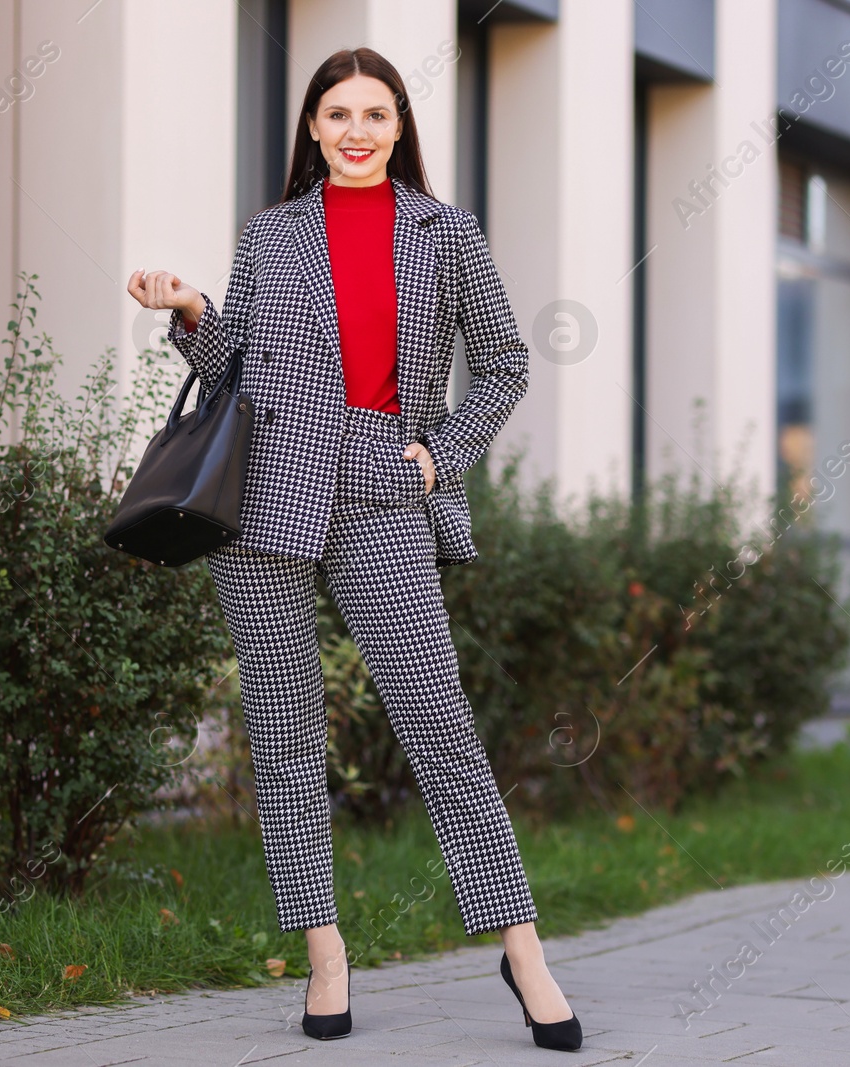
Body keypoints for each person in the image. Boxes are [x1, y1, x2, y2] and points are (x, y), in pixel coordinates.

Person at [126, 46, 581, 1052]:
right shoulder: (272, 231)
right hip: (262, 501)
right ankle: (324, 949)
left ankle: (523, 946)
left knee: (441, 728)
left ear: (399, 126)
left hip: (381, 483)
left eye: (376, 113)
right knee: (285, 743)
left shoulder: (444, 231)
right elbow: (232, 355)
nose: (357, 130)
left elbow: (504, 363)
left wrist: (436, 458)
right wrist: (188, 306)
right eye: (338, 114)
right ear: (314, 129)